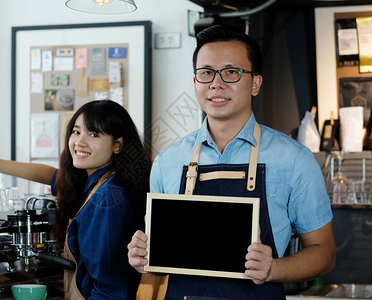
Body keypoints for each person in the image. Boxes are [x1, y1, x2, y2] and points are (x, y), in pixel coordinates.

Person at [127, 24, 336, 299]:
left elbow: (324, 253)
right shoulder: (167, 161)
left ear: (255, 83)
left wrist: (273, 269)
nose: (216, 83)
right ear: (195, 83)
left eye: (231, 72)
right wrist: (144, 258)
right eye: (206, 73)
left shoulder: (295, 160)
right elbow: (159, 267)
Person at [0, 100, 151, 299]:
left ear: (117, 145)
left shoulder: (106, 199)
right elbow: (53, 176)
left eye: (94, 134)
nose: (79, 142)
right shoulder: (96, 182)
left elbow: (110, 290)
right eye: (76, 131)